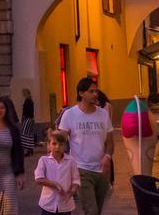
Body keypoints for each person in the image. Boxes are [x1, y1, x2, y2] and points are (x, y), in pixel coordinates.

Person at [56, 78, 114, 215]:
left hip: (101, 171)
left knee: (97, 210)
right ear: (81, 93)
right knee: (91, 210)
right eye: (91, 91)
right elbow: (61, 141)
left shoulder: (103, 114)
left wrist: (107, 156)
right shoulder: (70, 115)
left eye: (96, 91)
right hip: (81, 169)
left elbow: (110, 141)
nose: (95, 94)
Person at [0, 96, 25, 214]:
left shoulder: (12, 129)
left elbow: (18, 151)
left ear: (7, 110)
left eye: (2, 108)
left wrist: (20, 173)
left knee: (10, 207)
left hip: (8, 173)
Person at [34, 130, 80, 215]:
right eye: (54, 144)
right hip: (48, 204)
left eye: (61, 144)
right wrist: (55, 184)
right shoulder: (44, 160)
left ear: (65, 146)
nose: (57, 147)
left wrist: (71, 192)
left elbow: (76, 180)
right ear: (48, 145)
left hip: (65, 204)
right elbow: (38, 179)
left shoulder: (71, 161)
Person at [20, 89, 36, 157]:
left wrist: (23, 118)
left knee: (24, 134)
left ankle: (27, 150)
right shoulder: (30, 101)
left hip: (27, 119)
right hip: (31, 119)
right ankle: (30, 149)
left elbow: (26, 111)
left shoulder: (27, 101)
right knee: (29, 134)